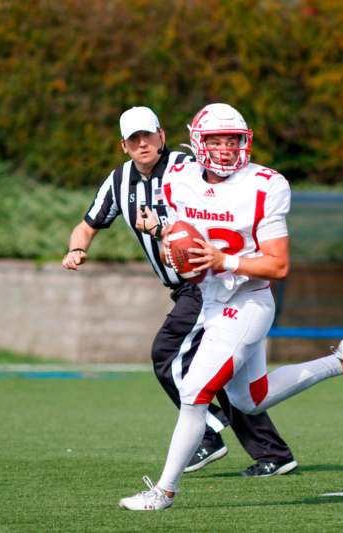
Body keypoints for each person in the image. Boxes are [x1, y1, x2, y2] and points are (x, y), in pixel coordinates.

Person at [118, 102, 343, 511]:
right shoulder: (177, 177)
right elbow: (177, 235)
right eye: (216, 140)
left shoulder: (265, 184)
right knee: (249, 400)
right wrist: (173, 248)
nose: (225, 149)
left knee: (194, 392)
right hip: (209, 299)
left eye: (233, 140)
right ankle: (340, 362)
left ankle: (164, 492)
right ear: (197, 142)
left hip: (247, 301)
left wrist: (224, 260)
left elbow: (278, 264)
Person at [62, 105, 299, 478]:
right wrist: (78, 248)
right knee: (226, 377)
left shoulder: (186, 168)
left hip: (210, 284)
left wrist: (166, 232)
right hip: (184, 286)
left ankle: (207, 431)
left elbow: (213, 209)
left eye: (148, 135)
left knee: (168, 353)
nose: (143, 144)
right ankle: (272, 452)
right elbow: (88, 225)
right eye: (134, 139)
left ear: (161, 134)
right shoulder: (119, 180)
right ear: (123, 145)